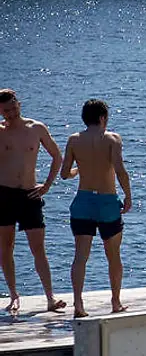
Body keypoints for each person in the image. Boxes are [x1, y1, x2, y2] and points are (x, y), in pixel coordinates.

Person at [61, 99, 132, 318]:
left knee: (80, 256)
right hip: (107, 202)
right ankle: (115, 301)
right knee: (113, 255)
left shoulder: (74, 140)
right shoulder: (111, 139)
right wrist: (128, 195)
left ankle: (79, 304)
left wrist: (79, 171)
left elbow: (65, 173)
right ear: (103, 118)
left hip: (83, 202)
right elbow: (119, 170)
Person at [0, 89, 66, 316]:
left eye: (12, 108)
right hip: (4, 194)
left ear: (18, 103)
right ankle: (14, 295)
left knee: (38, 247)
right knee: (6, 246)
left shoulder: (36, 128)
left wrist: (47, 185)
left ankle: (50, 297)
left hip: (30, 194)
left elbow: (57, 156)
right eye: (5, 111)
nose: (10, 114)